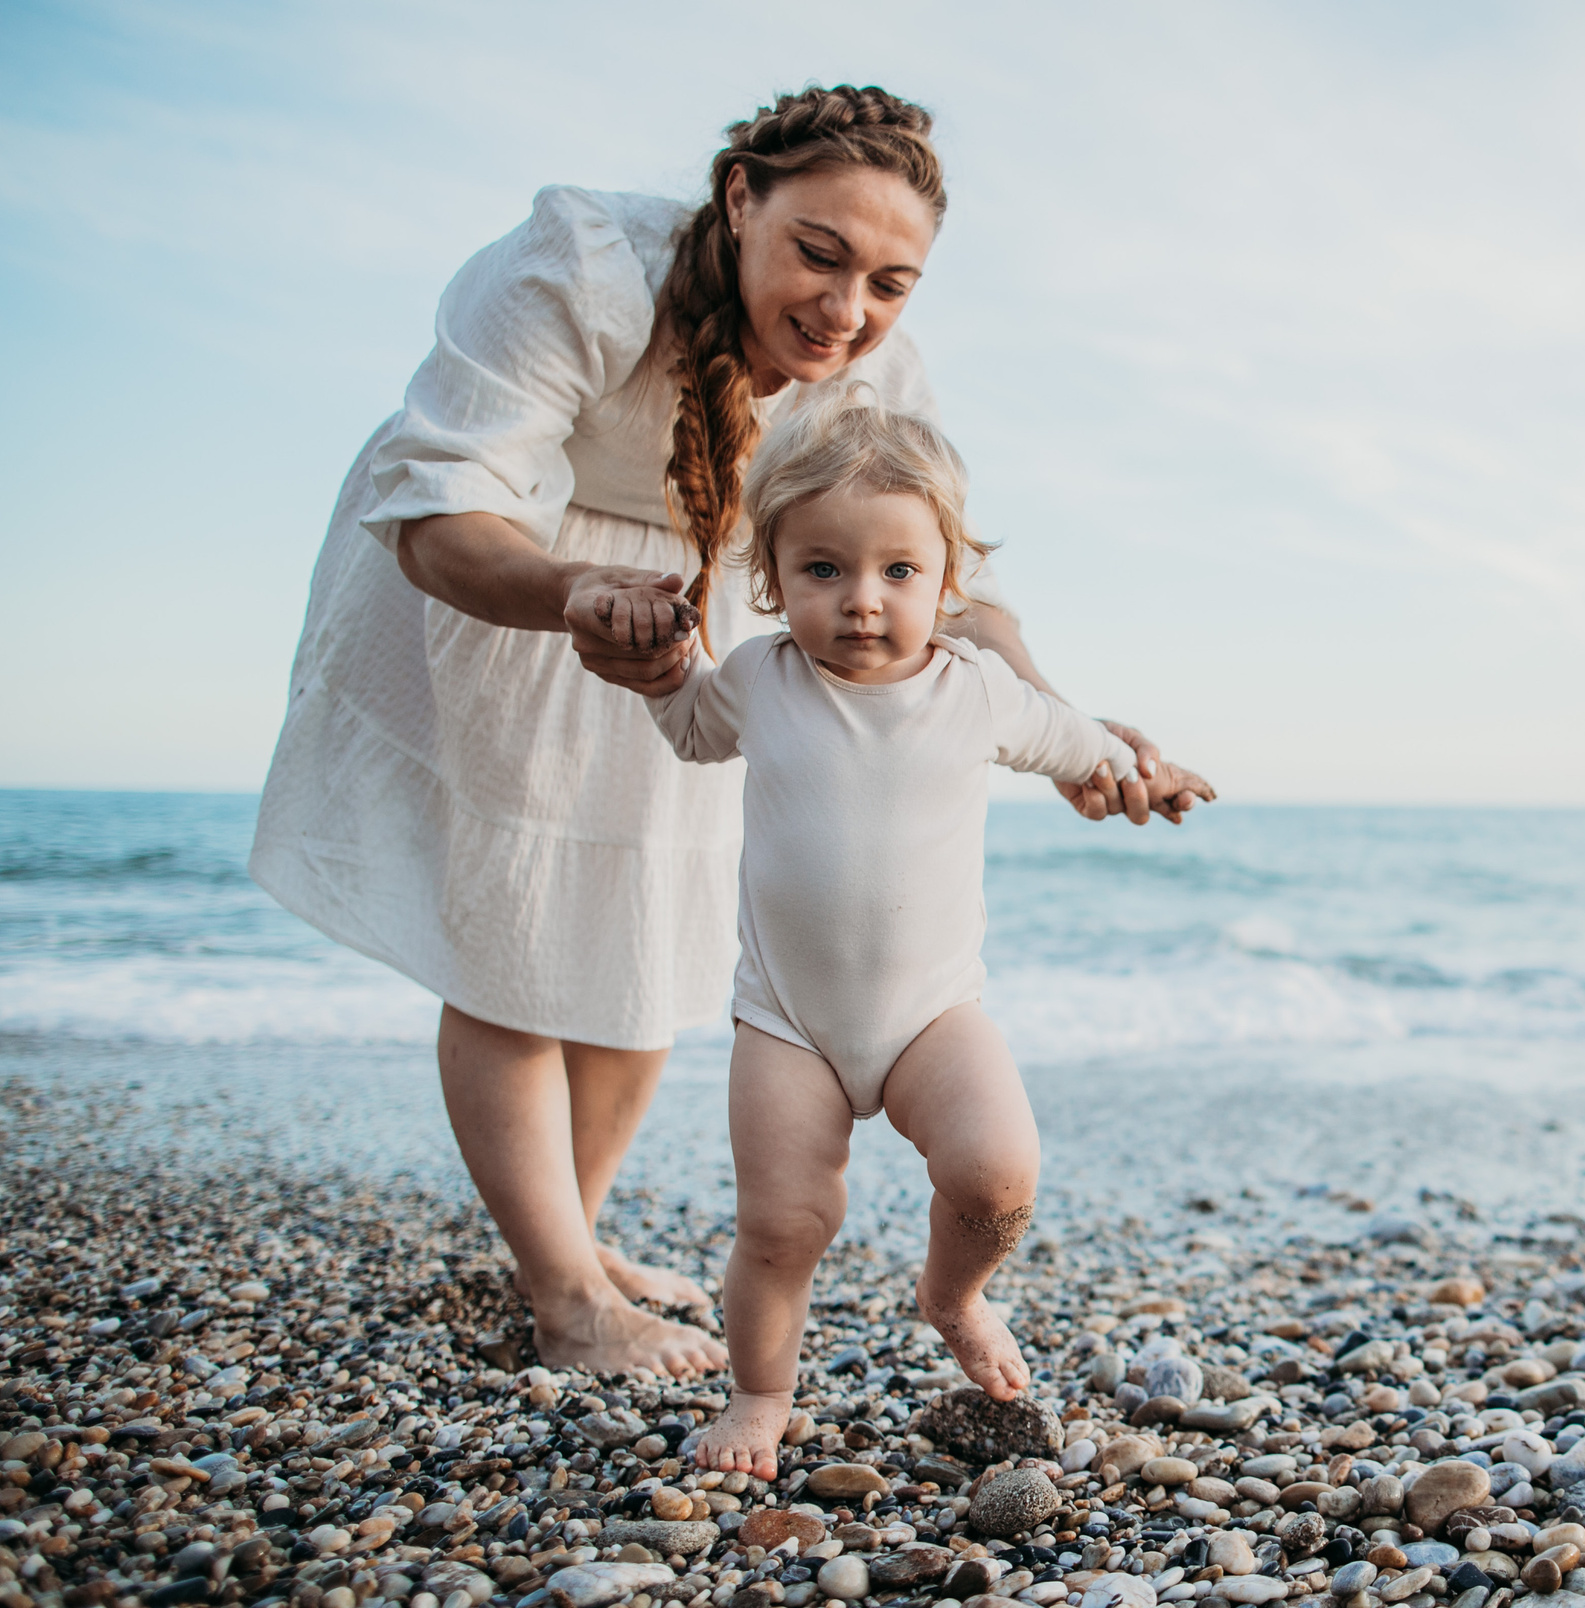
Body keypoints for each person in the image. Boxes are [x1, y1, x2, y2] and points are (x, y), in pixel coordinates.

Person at [250, 86, 1212, 1378]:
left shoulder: (876, 379)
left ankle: (576, 1240)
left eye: (890, 283)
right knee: (512, 939)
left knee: (646, 930)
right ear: (741, 197)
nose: (847, 309)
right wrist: (575, 596)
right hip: (513, 576)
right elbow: (438, 506)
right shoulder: (585, 265)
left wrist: (1065, 723)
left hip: (715, 613)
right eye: (820, 253)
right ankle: (563, 1299)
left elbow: (947, 579)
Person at [617, 405, 1141, 1475]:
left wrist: (1140, 769)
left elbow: (1081, 746)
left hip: (931, 1014)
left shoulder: (978, 690)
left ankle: (954, 1294)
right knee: (781, 1224)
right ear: (772, 579)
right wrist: (663, 670)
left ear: (948, 583)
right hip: (788, 1023)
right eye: (824, 568)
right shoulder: (760, 678)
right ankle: (759, 1394)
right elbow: (690, 729)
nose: (863, 597)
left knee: (998, 1176)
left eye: (899, 570)